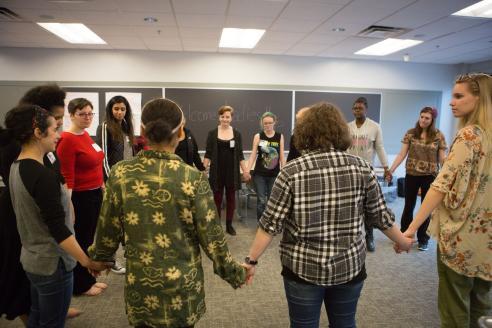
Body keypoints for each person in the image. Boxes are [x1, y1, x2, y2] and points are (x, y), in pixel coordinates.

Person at [244, 102, 413, 328]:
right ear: (340, 131)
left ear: (305, 132)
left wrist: (251, 260)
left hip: (303, 270)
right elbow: (380, 216)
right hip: (349, 266)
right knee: (344, 323)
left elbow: (270, 225)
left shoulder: (291, 172)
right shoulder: (362, 168)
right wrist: (402, 241)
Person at [88, 98, 247, 328]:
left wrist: (97, 259)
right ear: (181, 132)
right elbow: (213, 240)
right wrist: (236, 273)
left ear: (142, 131)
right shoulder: (192, 178)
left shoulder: (121, 173)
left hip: (141, 289)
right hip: (183, 291)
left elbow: (107, 230)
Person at [0, 105, 109, 328]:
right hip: (53, 265)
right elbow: (59, 231)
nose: (58, 136)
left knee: (38, 318)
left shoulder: (17, 166)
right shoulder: (42, 176)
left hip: (33, 260)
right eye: (53, 130)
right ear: (38, 133)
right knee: (51, 322)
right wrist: (87, 260)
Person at [398, 73, 492, 327]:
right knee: (483, 309)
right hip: (488, 243)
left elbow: (440, 185)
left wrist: (411, 229)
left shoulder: (469, 135)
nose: (452, 102)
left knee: (455, 307)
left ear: (480, 98)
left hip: (462, 236)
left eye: (459, 96)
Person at [0, 84, 82, 323]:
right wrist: (86, 260)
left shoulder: (46, 146)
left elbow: (55, 171)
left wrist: (67, 199)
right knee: (24, 276)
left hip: (45, 217)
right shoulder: (17, 150)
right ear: (37, 126)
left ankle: (51, 306)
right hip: (23, 219)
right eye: (55, 120)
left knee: (43, 281)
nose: (60, 127)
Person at [57, 98, 107, 296]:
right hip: (80, 198)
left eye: (90, 113)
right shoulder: (67, 139)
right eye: (82, 114)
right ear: (71, 115)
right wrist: (69, 205)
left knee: (89, 239)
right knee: (81, 240)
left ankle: (88, 278)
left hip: (94, 193)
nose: (87, 117)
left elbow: (95, 162)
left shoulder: (85, 135)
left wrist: (102, 185)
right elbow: (66, 176)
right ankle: (80, 285)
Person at [387, 106, 447, 251]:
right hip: (412, 174)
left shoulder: (438, 136)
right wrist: (391, 169)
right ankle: (404, 236)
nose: (423, 120)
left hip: (430, 176)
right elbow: (402, 154)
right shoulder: (411, 133)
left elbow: (442, 159)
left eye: (427, 118)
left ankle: (423, 239)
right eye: (421, 116)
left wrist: (450, 172)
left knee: (426, 209)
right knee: (408, 206)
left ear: (432, 120)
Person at [96, 95, 136, 275]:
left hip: (129, 180)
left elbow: (130, 153)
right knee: (113, 222)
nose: (120, 112)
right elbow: (103, 156)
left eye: (123, 109)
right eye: (116, 109)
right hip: (115, 181)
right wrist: (109, 181)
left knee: (127, 220)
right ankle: (111, 260)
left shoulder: (127, 127)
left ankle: (130, 255)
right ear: (110, 110)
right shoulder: (105, 127)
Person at [347, 96, 390, 252]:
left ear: (366, 109)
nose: (357, 111)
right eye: (355, 108)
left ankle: (369, 236)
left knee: (368, 205)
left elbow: (380, 148)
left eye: (360, 108)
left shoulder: (375, 126)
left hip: (367, 171)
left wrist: (386, 168)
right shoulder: (347, 127)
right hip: (350, 170)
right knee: (351, 204)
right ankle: (351, 236)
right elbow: (343, 148)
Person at [203, 105, 251, 235]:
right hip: (216, 172)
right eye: (222, 116)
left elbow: (240, 155)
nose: (225, 119)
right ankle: (217, 225)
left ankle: (229, 225)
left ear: (231, 118)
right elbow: (208, 153)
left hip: (232, 172)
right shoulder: (212, 133)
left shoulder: (237, 134)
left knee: (231, 199)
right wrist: (203, 169)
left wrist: (245, 171)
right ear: (219, 117)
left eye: (227, 117)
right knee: (217, 199)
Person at [246, 112, 285, 220]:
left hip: (274, 174)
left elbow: (281, 155)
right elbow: (253, 154)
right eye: (265, 123)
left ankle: (270, 222)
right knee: (261, 200)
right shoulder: (258, 136)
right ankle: (261, 223)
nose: (267, 125)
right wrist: (247, 170)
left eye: (269, 123)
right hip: (260, 175)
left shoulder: (279, 136)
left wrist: (284, 172)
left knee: (272, 201)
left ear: (274, 123)